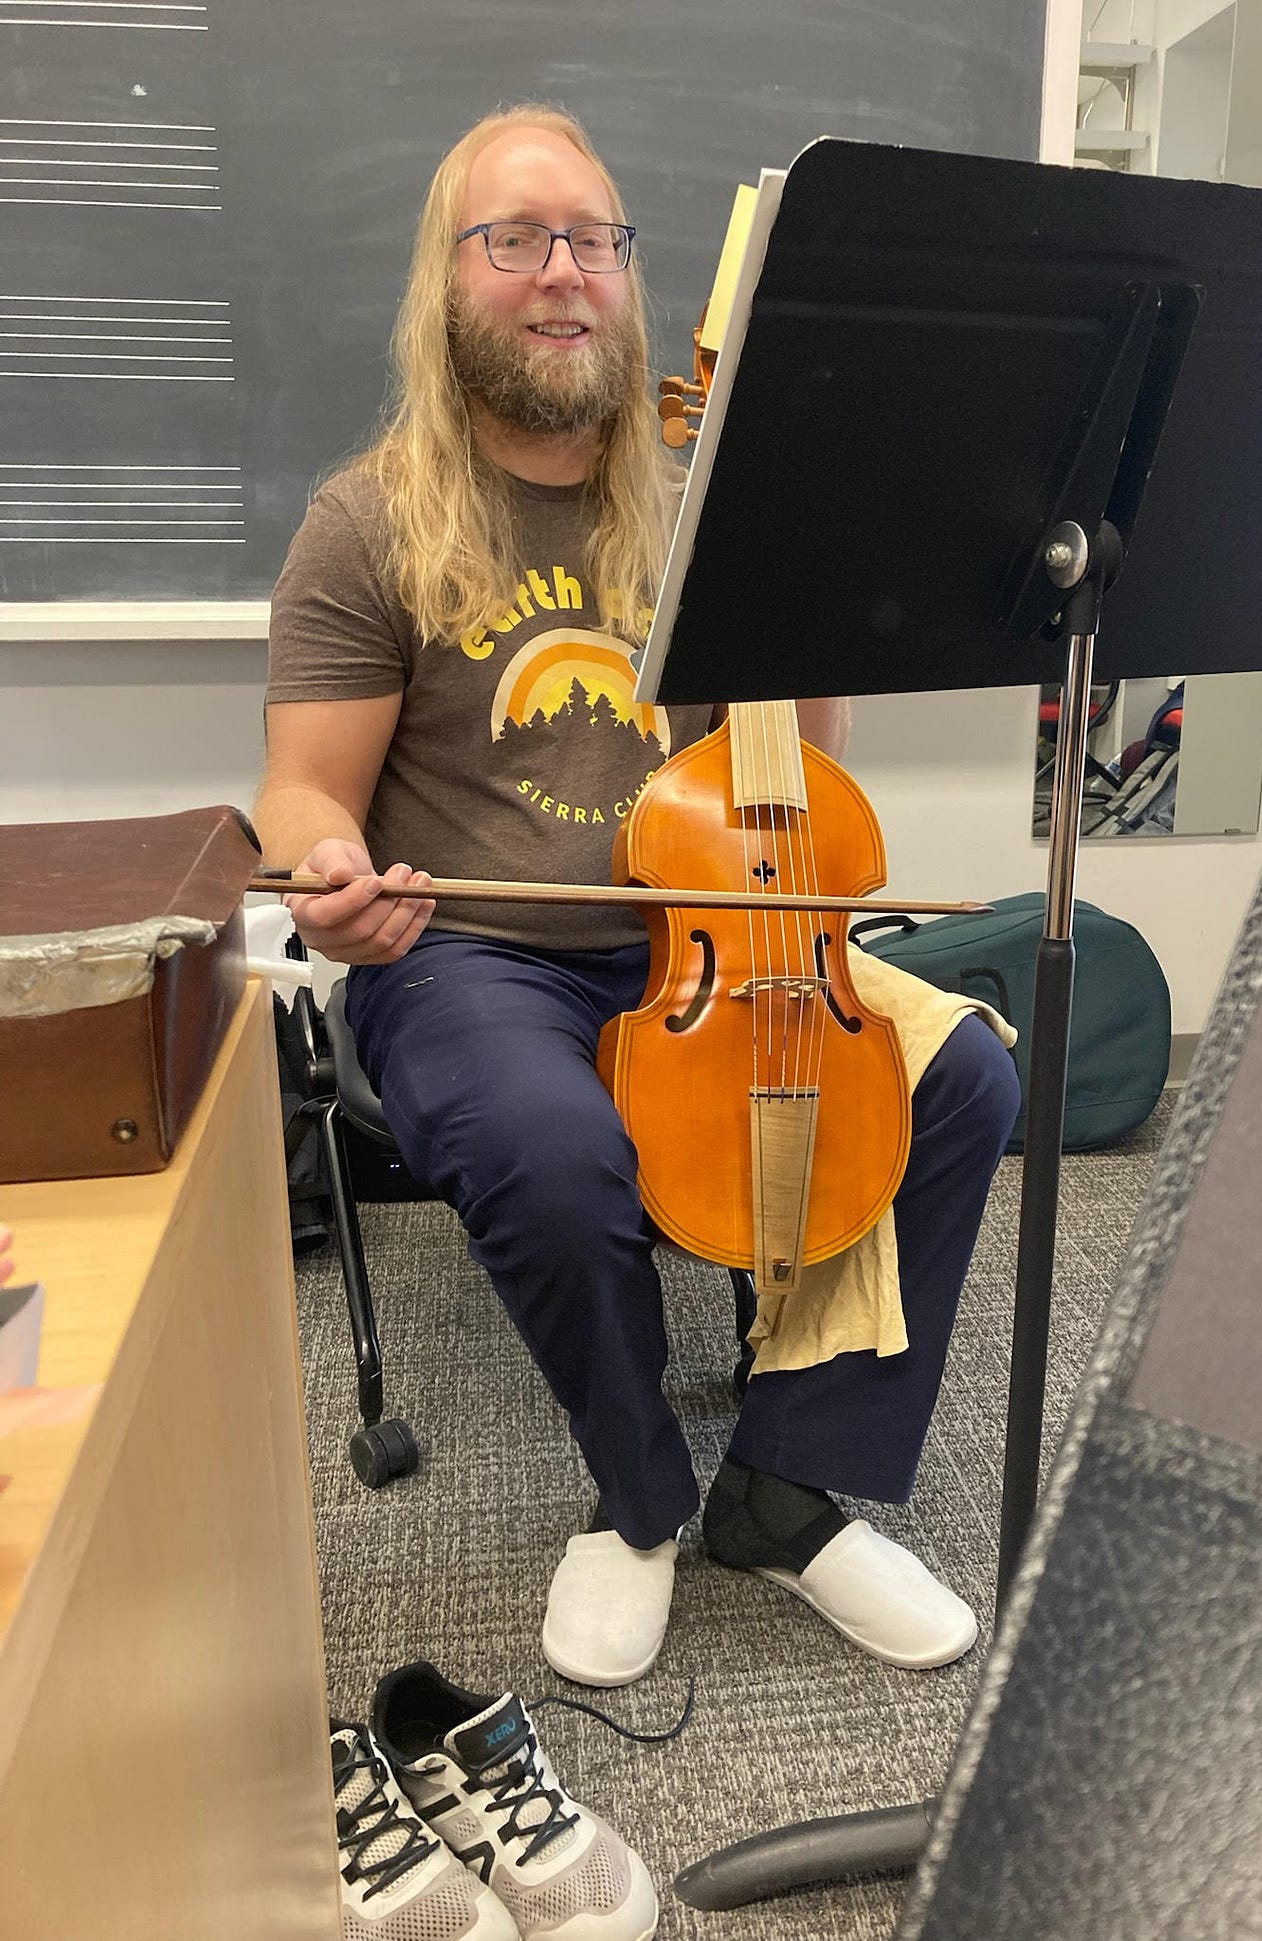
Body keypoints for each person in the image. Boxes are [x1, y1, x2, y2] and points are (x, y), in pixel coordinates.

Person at [256, 104, 1020, 1692]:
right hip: (476, 954)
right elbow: (307, 792)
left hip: (718, 935)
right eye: (516, 238)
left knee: (962, 1078)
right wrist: (328, 873)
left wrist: (801, 584)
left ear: (629, 277)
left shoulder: (702, 501)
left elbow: (800, 777)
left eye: (594, 240)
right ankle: (643, 1499)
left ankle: (790, 1484)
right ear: (446, 279)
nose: (564, 273)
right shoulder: (367, 523)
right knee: (553, 1149)